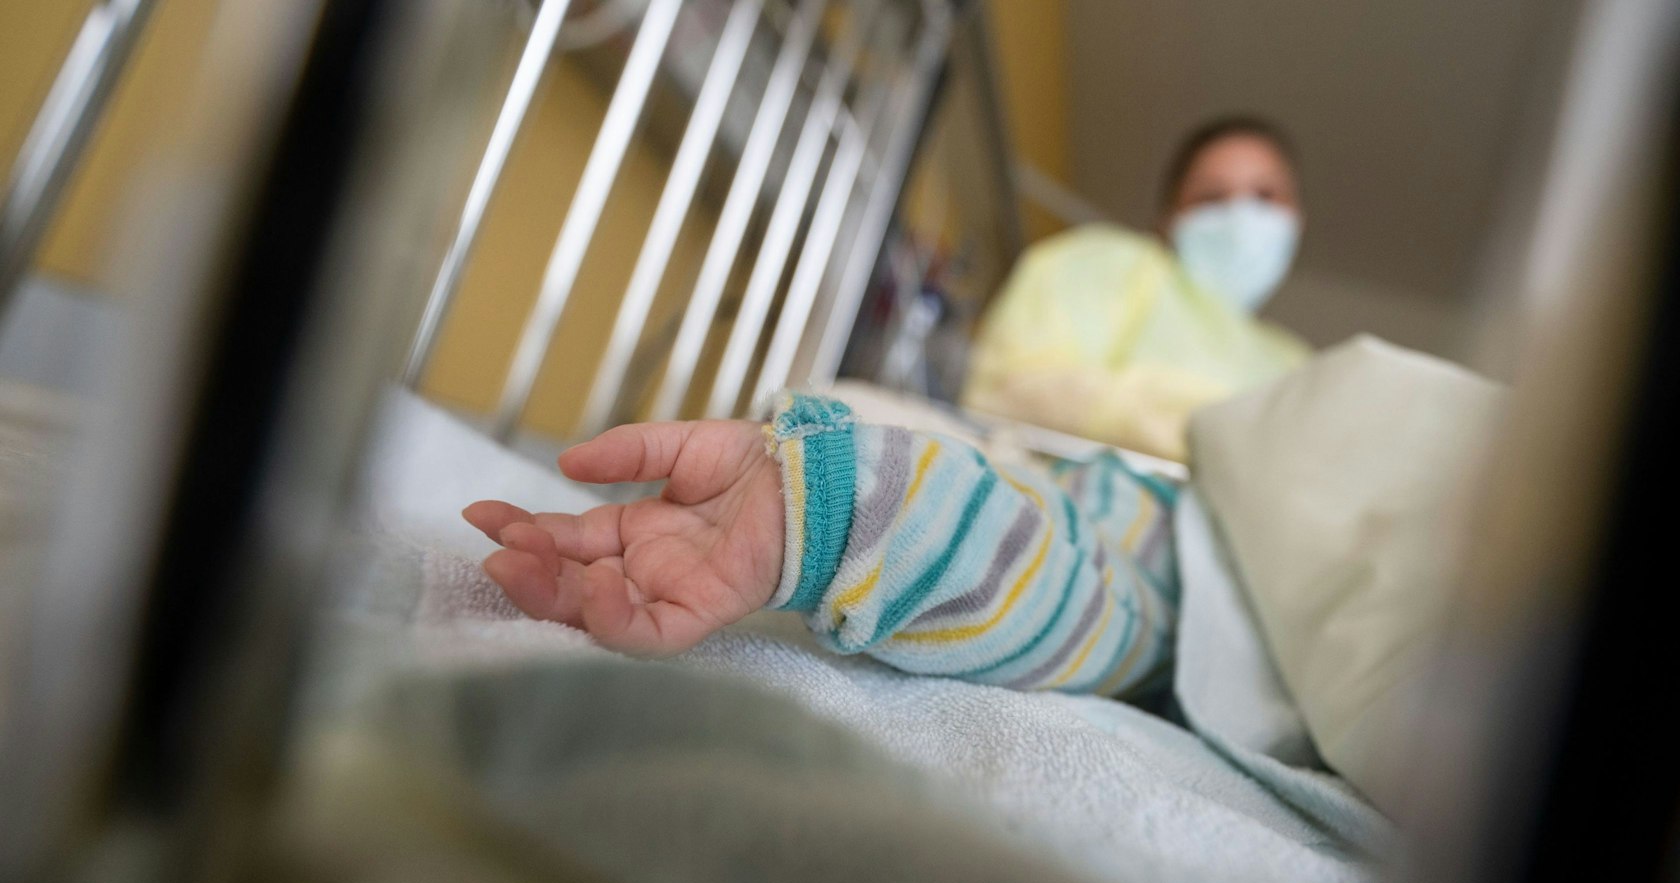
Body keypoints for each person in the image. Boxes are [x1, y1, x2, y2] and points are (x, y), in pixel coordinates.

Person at [464, 394, 1177, 695]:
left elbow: (1120, 626)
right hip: (1069, 486)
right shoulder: (1130, 490)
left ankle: (853, 498)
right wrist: (821, 501)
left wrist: (836, 506)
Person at [959, 116, 1311, 460]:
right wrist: (1209, 433)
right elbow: (1008, 390)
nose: (1241, 217)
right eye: (1211, 196)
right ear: (1169, 219)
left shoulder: (1297, 364)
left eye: (1265, 195)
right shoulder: (1107, 266)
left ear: (1298, 217)